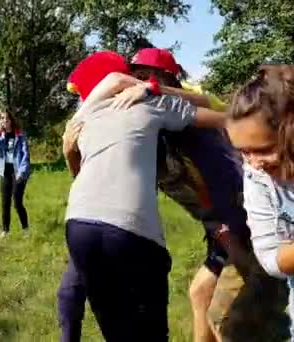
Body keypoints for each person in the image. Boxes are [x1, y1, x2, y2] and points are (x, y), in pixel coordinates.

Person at [61, 50, 228, 341]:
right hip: (116, 227)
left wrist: (152, 89)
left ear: (165, 77)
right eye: (135, 73)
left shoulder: (167, 99)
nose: (137, 79)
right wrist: (69, 151)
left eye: (144, 74)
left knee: (203, 298)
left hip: (237, 212)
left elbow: (223, 118)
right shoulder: (128, 105)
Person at [226, 65, 294, 340]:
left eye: (264, 149)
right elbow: (271, 260)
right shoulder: (256, 177)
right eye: (244, 152)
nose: (254, 163)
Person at [0, 110, 31, 238]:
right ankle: (5, 231)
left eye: (7, 119)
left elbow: (25, 156)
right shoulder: (1, 135)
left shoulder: (20, 135)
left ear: (11, 121)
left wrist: (22, 172)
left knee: (17, 202)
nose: (4, 122)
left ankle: (26, 229)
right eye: (2, 119)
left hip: (18, 172)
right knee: (5, 203)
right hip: (4, 172)